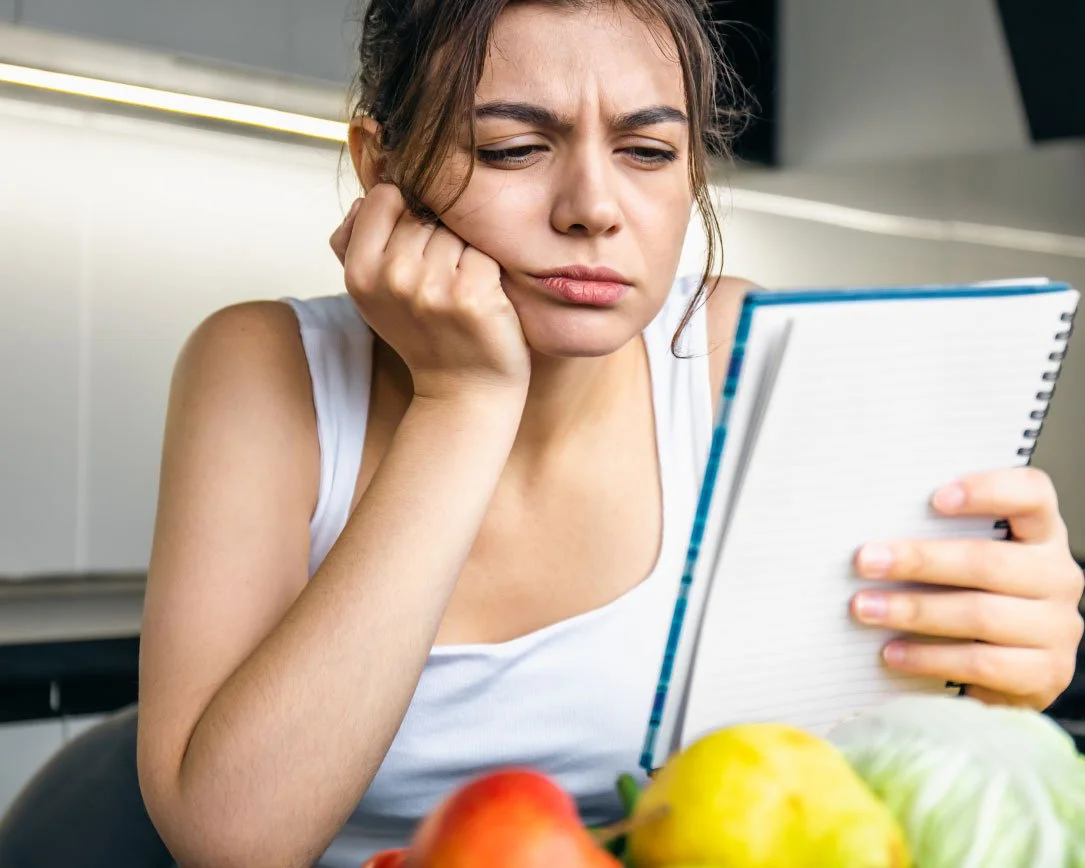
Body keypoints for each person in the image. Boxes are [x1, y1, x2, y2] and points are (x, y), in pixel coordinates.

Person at [134, 1, 1085, 866]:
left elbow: (834, 787)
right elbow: (232, 843)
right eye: (512, 148)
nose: (593, 207)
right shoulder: (262, 365)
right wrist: (461, 400)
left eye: (646, 152)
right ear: (381, 168)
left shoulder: (740, 355)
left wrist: (989, 692)